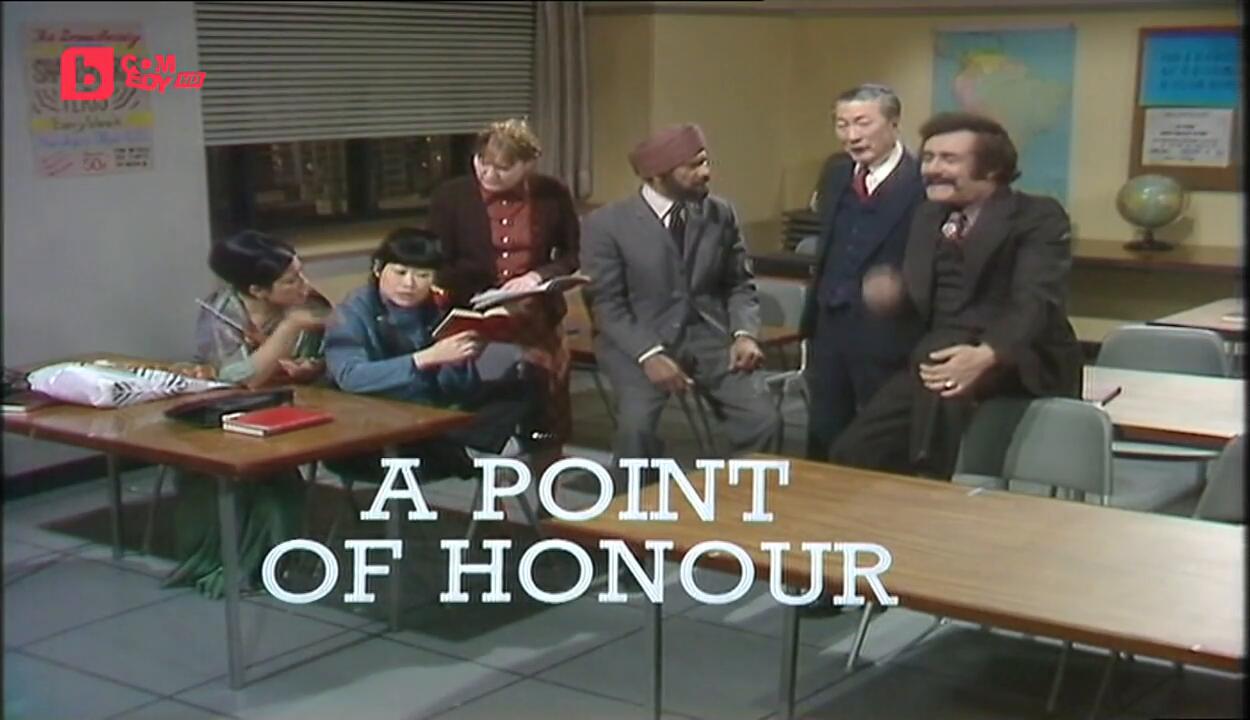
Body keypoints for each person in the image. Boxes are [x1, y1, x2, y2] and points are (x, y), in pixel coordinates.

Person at [830, 112, 1084, 479]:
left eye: (949, 160)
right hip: (938, 357)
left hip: (1016, 357)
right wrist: (893, 294)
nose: (932, 169)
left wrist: (986, 355)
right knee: (854, 450)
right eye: (929, 158)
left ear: (992, 169)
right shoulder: (927, 216)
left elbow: (1037, 301)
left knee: (941, 360)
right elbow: (928, 301)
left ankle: (931, 483)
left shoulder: (1037, 216)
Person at [580, 123, 780, 469]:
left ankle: (745, 496)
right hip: (637, 343)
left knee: (764, 420)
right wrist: (649, 354)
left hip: (709, 339)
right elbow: (606, 306)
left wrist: (744, 334)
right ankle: (632, 501)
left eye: (706, 161)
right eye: (694, 165)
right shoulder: (606, 225)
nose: (706, 173)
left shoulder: (720, 214)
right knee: (636, 430)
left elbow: (738, 284)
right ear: (658, 175)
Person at [165, 230, 328, 599]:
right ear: (257, 290)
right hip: (225, 413)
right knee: (214, 471)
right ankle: (226, 558)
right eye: (291, 280)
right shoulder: (222, 312)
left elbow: (325, 353)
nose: (304, 285)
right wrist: (288, 329)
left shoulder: (308, 301)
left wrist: (310, 366)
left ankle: (276, 557)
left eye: (301, 273)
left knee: (278, 474)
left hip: (290, 408)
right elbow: (238, 378)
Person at [323, 227, 540, 479]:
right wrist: (426, 358)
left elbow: (454, 388)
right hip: (373, 422)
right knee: (446, 435)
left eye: (422, 275)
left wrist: (462, 357)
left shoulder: (435, 309)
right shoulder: (352, 311)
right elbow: (350, 376)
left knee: (525, 382)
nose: (409, 284)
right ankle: (472, 450)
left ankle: (471, 447)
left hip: (429, 411)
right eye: (400, 272)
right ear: (378, 269)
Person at [429, 119, 580, 454]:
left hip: (537, 317)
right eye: (482, 163)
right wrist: (478, 291)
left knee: (547, 413)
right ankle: (490, 480)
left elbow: (572, 254)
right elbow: (438, 261)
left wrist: (536, 278)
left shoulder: (552, 193)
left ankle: (547, 480)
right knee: (490, 409)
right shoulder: (450, 196)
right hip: (477, 314)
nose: (489, 174)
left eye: (502, 168)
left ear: (527, 165)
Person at [800, 84, 926, 461]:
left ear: (893, 123)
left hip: (887, 332)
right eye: (842, 125)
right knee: (823, 433)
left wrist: (901, 286)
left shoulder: (922, 183)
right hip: (829, 328)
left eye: (862, 123)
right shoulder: (836, 175)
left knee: (878, 444)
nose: (851, 136)